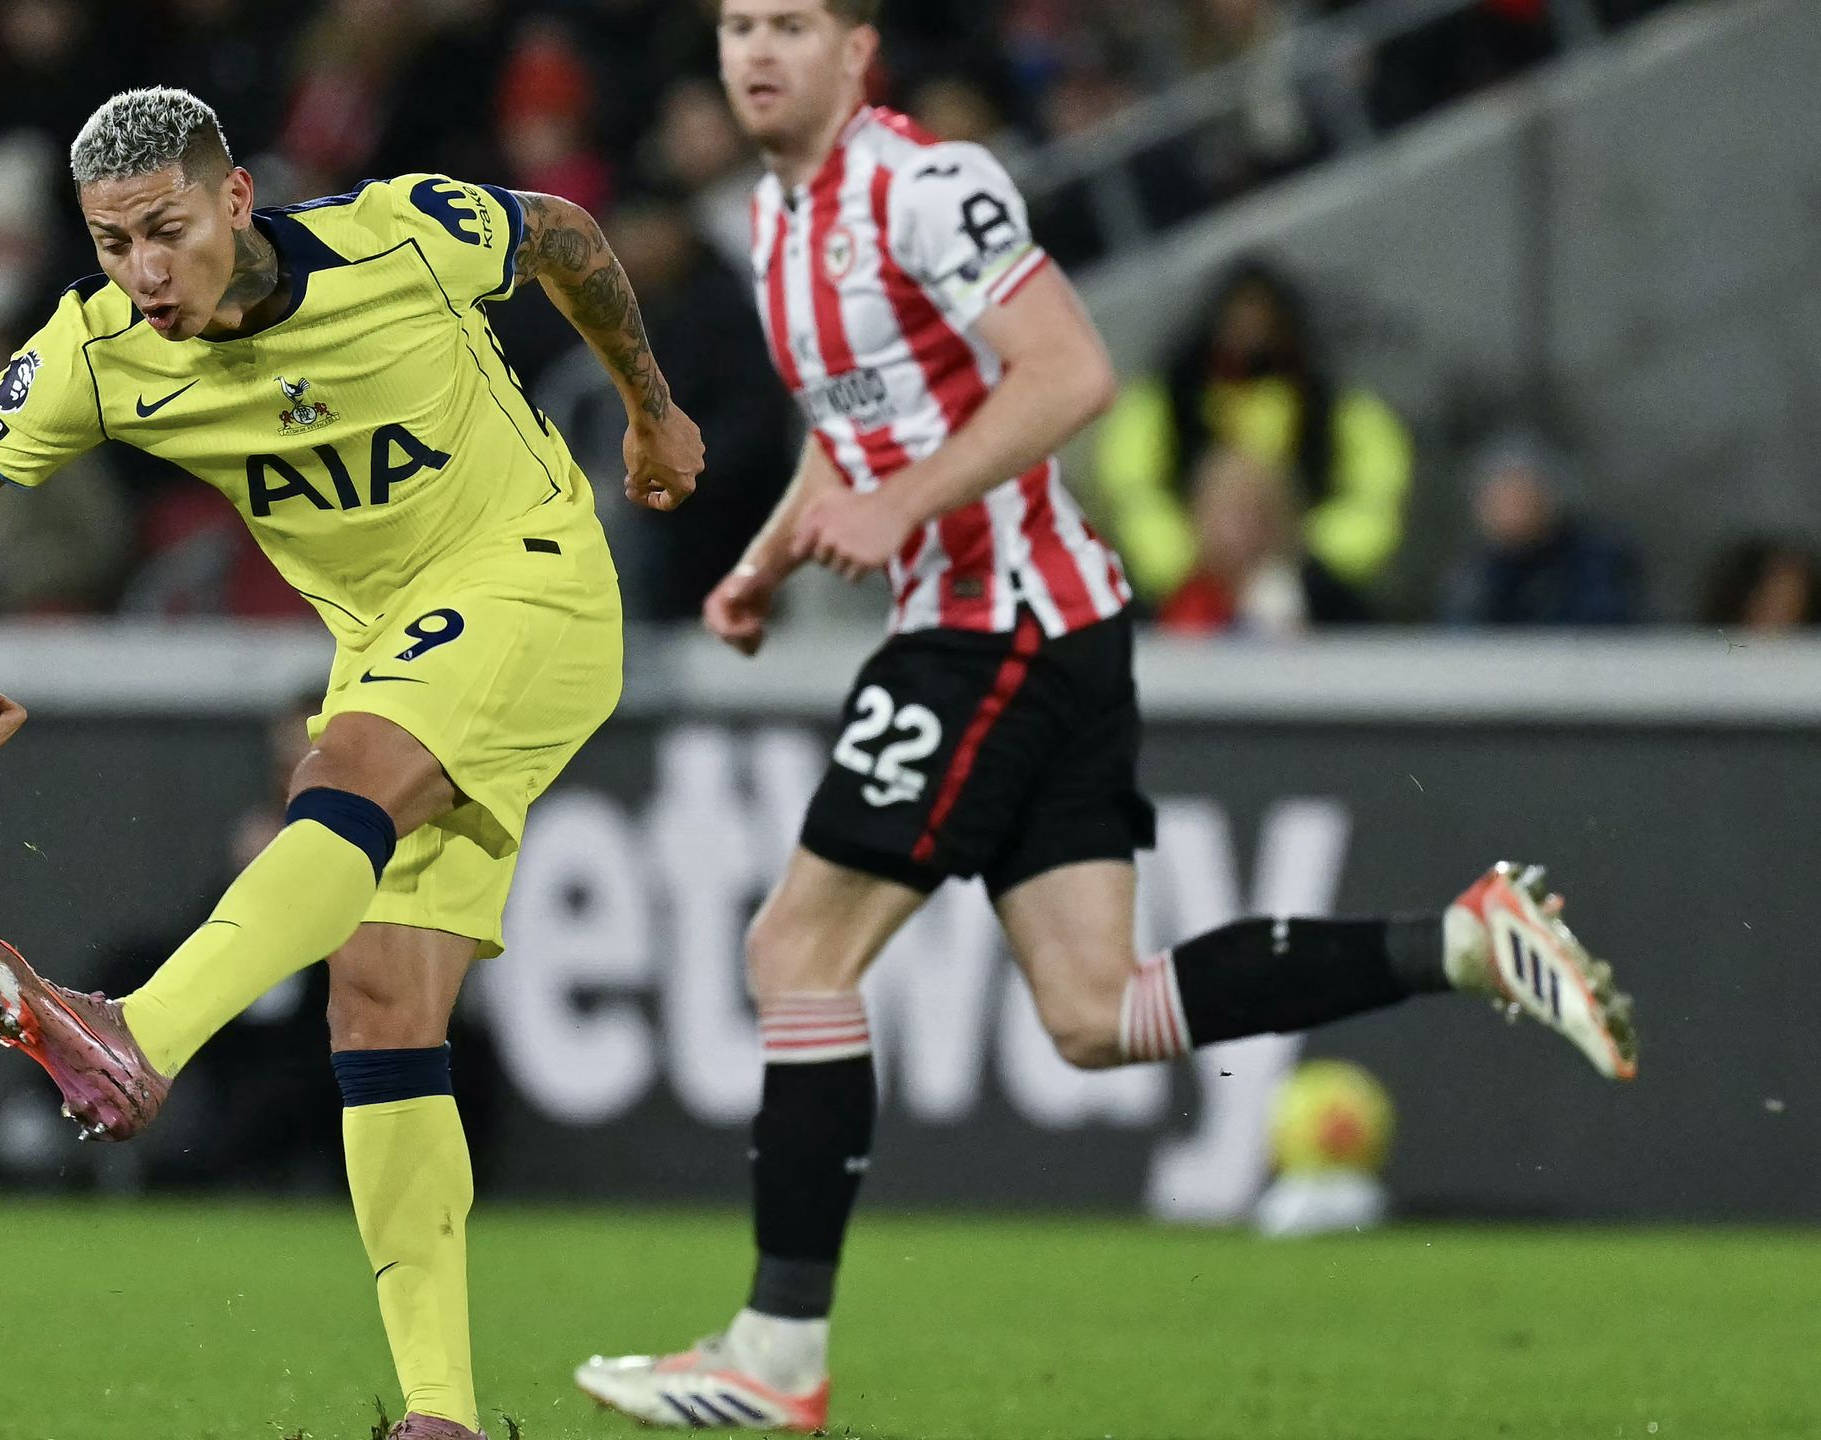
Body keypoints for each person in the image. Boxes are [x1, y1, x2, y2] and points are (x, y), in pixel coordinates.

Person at [570, 4, 1636, 1431]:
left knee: (795, 947)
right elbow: (855, 430)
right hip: (1047, 633)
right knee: (1093, 1012)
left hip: (993, 626)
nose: (755, 52)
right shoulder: (773, 223)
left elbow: (1071, 371)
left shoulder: (925, 185)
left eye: (789, 23)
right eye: (735, 26)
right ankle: (1462, 940)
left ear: (859, 46)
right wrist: (768, 559)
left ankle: (775, 1354)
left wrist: (904, 507)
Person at [0, 88, 704, 1440]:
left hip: (533, 578)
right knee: (378, 1003)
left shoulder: (399, 237)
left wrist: (649, 411)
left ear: (239, 201)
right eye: (110, 243)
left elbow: (562, 234)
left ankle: (142, 1031)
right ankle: (442, 1414)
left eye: (168, 232)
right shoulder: (100, 353)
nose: (142, 274)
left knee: (343, 777)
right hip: (390, 641)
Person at [1093, 258, 1413, 602]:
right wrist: (1181, 563)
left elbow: (1375, 492)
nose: (1250, 329)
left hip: (1309, 585)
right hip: (1187, 585)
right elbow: (1132, 492)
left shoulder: (1330, 406)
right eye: (1240, 317)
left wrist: (1311, 561)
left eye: (1262, 318)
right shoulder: (1167, 402)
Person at [1153, 444, 1369, 634]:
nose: (1242, 529)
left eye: (1257, 511)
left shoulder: (1330, 604)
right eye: (1228, 513)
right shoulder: (1176, 599)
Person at [1439, 431, 1642, 627]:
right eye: (1499, 502)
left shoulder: (1595, 562)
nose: (1510, 513)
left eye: (1520, 499)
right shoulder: (1475, 575)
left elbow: (1604, 630)